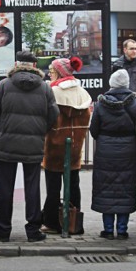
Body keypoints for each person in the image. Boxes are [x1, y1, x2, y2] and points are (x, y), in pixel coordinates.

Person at [0, 50, 59, 243]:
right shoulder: (45, 88)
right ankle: (33, 230)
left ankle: (3, 230)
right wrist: (40, 130)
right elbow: (53, 115)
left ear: (16, 64)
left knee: (5, 188)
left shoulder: (3, 85)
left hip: (7, 143)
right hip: (33, 144)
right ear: (34, 66)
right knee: (32, 187)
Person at [40, 57, 91, 234]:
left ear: (60, 72)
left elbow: (46, 118)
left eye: (52, 71)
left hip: (54, 146)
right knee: (74, 185)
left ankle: (52, 222)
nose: (49, 74)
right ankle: (74, 222)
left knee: (53, 187)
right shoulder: (83, 93)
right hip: (75, 147)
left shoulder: (52, 92)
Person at [90, 70, 136, 240]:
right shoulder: (135, 104)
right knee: (125, 188)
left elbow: (94, 130)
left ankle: (107, 229)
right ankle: (122, 229)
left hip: (105, 149)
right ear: (127, 84)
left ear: (111, 83)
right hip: (128, 151)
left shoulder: (101, 104)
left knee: (106, 188)